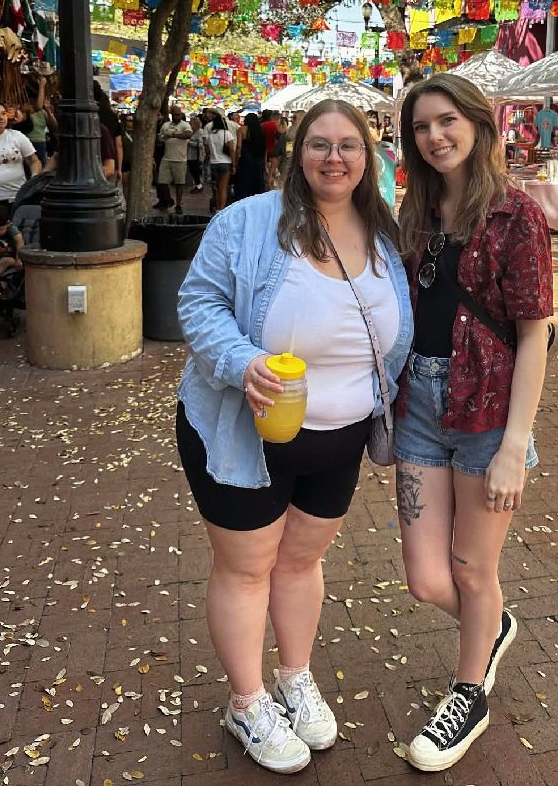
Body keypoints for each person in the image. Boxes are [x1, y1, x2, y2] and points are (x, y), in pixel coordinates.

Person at [176, 99, 413, 774]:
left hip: (340, 438)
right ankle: (247, 702)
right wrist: (239, 360)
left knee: (301, 562)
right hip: (243, 431)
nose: (334, 158)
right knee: (247, 568)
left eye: (348, 145)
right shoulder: (246, 222)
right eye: (319, 144)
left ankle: (294, 678)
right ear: (296, 152)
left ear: (368, 158)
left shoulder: (385, 231)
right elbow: (198, 302)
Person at [394, 73, 552, 772]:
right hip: (419, 407)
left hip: (488, 411)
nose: (435, 136)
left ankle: (468, 695)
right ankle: (492, 627)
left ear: (478, 124)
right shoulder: (414, 212)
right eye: (422, 126)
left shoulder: (517, 216)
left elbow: (534, 335)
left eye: (447, 120)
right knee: (428, 580)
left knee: (470, 567)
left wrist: (516, 445)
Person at [0, 100, 42, 205]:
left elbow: (34, 161)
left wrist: (33, 179)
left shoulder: (17, 136)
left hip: (20, 197)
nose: (1, 117)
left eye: (4, 113)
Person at [157, 105, 192, 215]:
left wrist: (173, 135)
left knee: (179, 183)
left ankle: (178, 204)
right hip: (167, 158)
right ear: (171, 115)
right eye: (175, 114)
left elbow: (188, 134)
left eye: (179, 114)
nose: (177, 116)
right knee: (162, 182)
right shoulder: (166, 125)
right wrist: (163, 139)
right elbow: (159, 137)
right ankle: (168, 199)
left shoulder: (185, 125)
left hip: (180, 159)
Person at [0, 202, 24, 302]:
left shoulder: (11, 228)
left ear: (8, 223)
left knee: (5, 261)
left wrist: (19, 259)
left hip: (10, 256)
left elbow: (20, 242)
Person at [203, 109, 236, 214]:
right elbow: (232, 150)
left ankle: (217, 208)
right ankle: (222, 209)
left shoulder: (210, 136)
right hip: (225, 163)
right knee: (223, 187)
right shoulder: (227, 134)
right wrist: (234, 165)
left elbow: (207, 150)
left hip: (214, 163)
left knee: (217, 187)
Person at [234, 111, 267, 200]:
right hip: (258, 160)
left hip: (246, 160)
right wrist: (264, 163)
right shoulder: (261, 131)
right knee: (257, 184)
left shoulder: (241, 130)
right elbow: (265, 149)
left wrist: (236, 162)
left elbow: (238, 147)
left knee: (244, 184)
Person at [260, 109, 280, 188]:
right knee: (275, 174)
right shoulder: (278, 126)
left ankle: (267, 186)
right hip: (275, 153)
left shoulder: (263, 125)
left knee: (266, 172)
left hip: (265, 152)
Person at [186, 116, 204, 193]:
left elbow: (201, 145)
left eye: (191, 123)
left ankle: (199, 186)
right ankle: (197, 185)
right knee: (192, 170)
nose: (190, 125)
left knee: (196, 171)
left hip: (197, 156)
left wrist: (190, 143)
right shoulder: (191, 132)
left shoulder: (201, 132)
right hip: (190, 155)